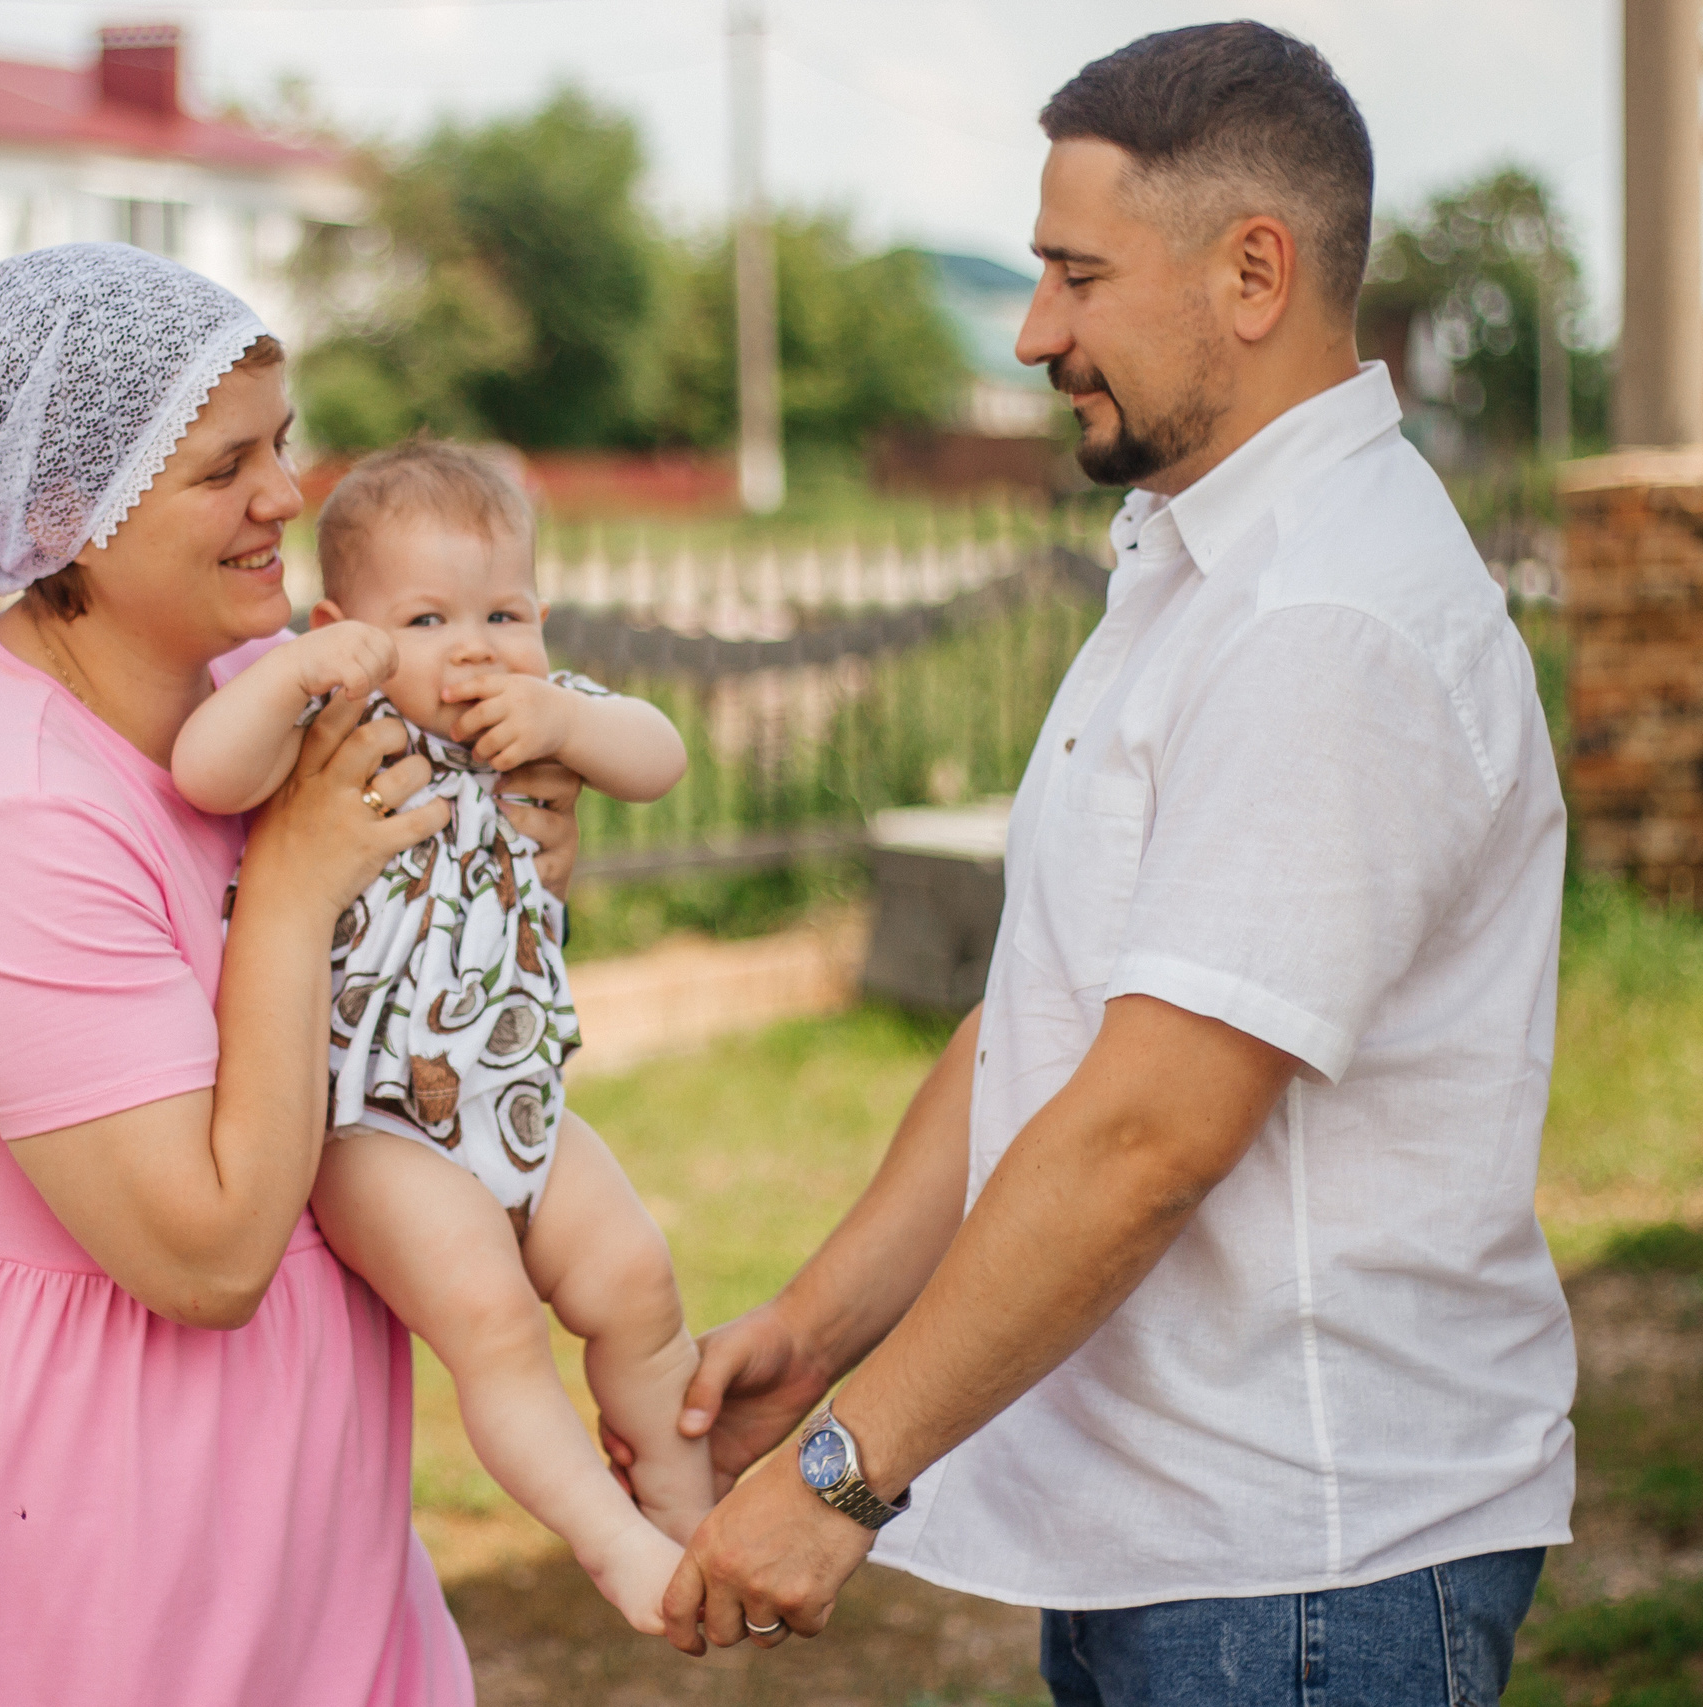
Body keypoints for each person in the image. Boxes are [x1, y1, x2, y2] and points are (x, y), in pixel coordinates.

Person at [642, 25, 1575, 1704]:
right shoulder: (1198, 560)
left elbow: (1147, 1132)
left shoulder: (1327, 620)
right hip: (1187, 1546)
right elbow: (1044, 1024)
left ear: (1252, 273)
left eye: (1077, 275)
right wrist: (818, 1323)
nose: (1032, 333)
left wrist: (846, 1472)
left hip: (1307, 1569)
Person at [0, 244, 586, 1704]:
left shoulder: (252, 706)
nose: (286, 497)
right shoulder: (13, 814)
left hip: (285, 1518)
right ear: (71, 518)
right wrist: (301, 885)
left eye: (284, 445)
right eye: (223, 467)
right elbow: (206, 1250)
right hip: (71, 1536)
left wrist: (519, 842)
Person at [170, 441, 715, 1633]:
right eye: (424, 617)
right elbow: (206, 772)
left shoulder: (541, 723)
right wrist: (300, 670)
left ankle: (687, 1509)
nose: (474, 645)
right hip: (364, 1124)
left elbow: (661, 757)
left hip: (514, 1099)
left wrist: (563, 708)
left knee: (635, 1278)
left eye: (502, 611)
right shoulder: (329, 718)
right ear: (344, 627)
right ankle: (609, 1541)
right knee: (492, 1319)